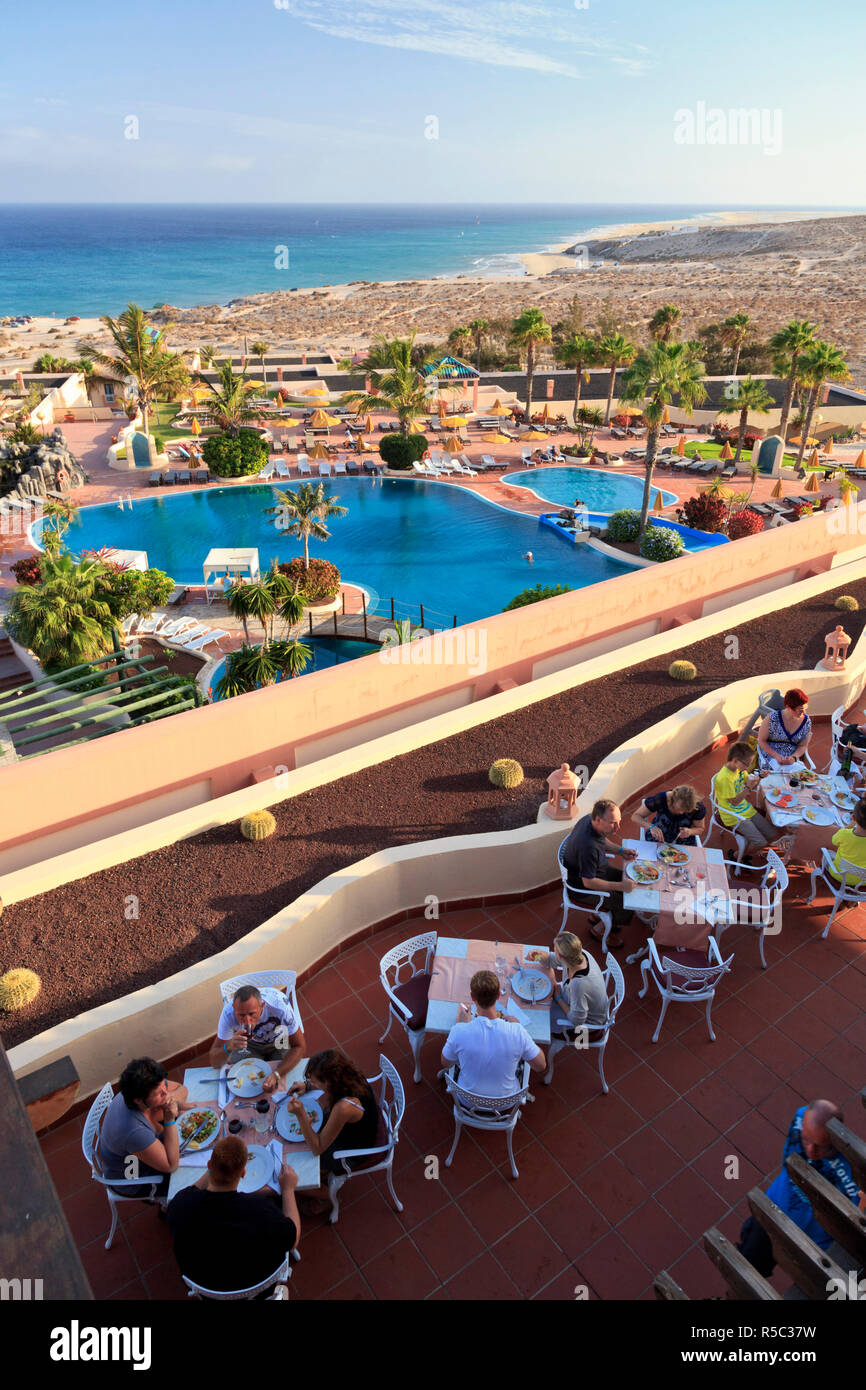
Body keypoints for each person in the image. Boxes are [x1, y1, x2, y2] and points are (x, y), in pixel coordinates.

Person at [737, 1100, 864, 1277]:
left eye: (821, 1146)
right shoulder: (801, 1117)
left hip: (811, 1242)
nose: (811, 1151)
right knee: (749, 1265)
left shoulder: (853, 1174)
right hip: (773, 1209)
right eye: (806, 1139)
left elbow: (853, 1223)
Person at [167, 1136, 300, 1297]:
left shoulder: (180, 1204)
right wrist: (288, 1190)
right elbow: (293, 1241)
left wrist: (217, 1167)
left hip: (208, 1287)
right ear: (243, 1173)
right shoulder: (261, 1210)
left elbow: (192, 1190)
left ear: (209, 1166)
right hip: (258, 1286)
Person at [286, 1049, 381, 1213]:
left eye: (314, 1081)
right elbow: (326, 1084)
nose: (312, 1083)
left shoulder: (343, 1107)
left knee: (295, 1176)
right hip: (357, 1130)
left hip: (352, 1151)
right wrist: (307, 1085)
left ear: (330, 1082)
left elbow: (318, 1148)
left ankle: (328, 1197)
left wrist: (301, 1115)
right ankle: (322, 1176)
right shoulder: (350, 1076)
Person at [440, 970, 546, 1097]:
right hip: (505, 1101)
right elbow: (541, 1066)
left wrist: (461, 1024)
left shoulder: (458, 1031)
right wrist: (520, 1029)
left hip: (467, 1099)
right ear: (497, 996)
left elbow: (446, 1063)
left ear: (472, 997)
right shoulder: (517, 1032)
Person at [100, 1057, 195, 1195]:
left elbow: (183, 1090)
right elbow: (171, 1165)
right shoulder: (134, 1131)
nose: (165, 1092)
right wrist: (169, 1119)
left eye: (164, 1085)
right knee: (190, 1181)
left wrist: (169, 1102)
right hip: (133, 1176)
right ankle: (166, 1206)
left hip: (139, 1151)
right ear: (138, 1100)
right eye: (158, 1093)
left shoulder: (143, 1087)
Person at [559, 798, 637, 950]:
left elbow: (602, 840)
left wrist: (620, 851)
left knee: (626, 877)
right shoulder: (588, 846)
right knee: (625, 903)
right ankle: (598, 931)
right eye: (613, 822)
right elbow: (588, 882)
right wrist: (621, 886)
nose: (618, 827)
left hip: (596, 871)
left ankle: (595, 916)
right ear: (599, 819)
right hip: (582, 889)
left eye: (619, 821)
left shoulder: (589, 820)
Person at [209, 984, 305, 1093]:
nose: (247, 1021)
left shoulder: (280, 1007)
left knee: (285, 1080)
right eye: (241, 1015)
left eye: (252, 1014)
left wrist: (276, 1074)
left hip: (279, 1041)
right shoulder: (228, 1014)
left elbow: (299, 1046)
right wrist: (228, 1047)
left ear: (262, 1006)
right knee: (244, 1080)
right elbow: (214, 1062)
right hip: (249, 1044)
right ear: (234, 1009)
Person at [712, 742, 776, 860]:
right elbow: (734, 802)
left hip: (746, 809)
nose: (748, 768)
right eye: (746, 764)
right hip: (733, 815)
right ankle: (736, 855)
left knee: (772, 834)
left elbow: (750, 783)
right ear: (736, 760)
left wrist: (760, 777)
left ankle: (746, 852)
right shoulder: (724, 778)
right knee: (760, 842)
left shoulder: (740, 770)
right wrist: (748, 787)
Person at [543, 932, 608, 1034]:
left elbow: (577, 1020)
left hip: (588, 1023)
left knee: (541, 1017)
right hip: (577, 1001)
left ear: (560, 956)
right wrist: (537, 956)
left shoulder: (578, 984)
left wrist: (558, 997)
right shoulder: (579, 954)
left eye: (554, 949)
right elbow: (553, 959)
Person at [756, 688, 813, 771]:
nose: (803, 713)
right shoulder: (772, 718)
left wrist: (793, 757)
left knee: (799, 776)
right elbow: (761, 741)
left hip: (791, 757)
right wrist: (776, 756)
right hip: (771, 754)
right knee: (778, 776)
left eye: (805, 709)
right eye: (800, 710)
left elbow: (803, 745)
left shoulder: (806, 721)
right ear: (788, 707)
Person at [633, 784, 707, 846]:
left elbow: (700, 829)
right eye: (679, 808)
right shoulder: (661, 799)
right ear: (672, 800)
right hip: (658, 836)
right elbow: (635, 816)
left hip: (684, 840)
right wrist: (651, 826)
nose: (681, 812)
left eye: (686, 811)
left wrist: (690, 831)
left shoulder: (697, 807)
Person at [827, 797, 866, 884]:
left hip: (839, 875)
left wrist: (850, 826)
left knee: (827, 852)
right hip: (863, 881)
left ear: (853, 818)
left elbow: (833, 841)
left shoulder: (844, 834)